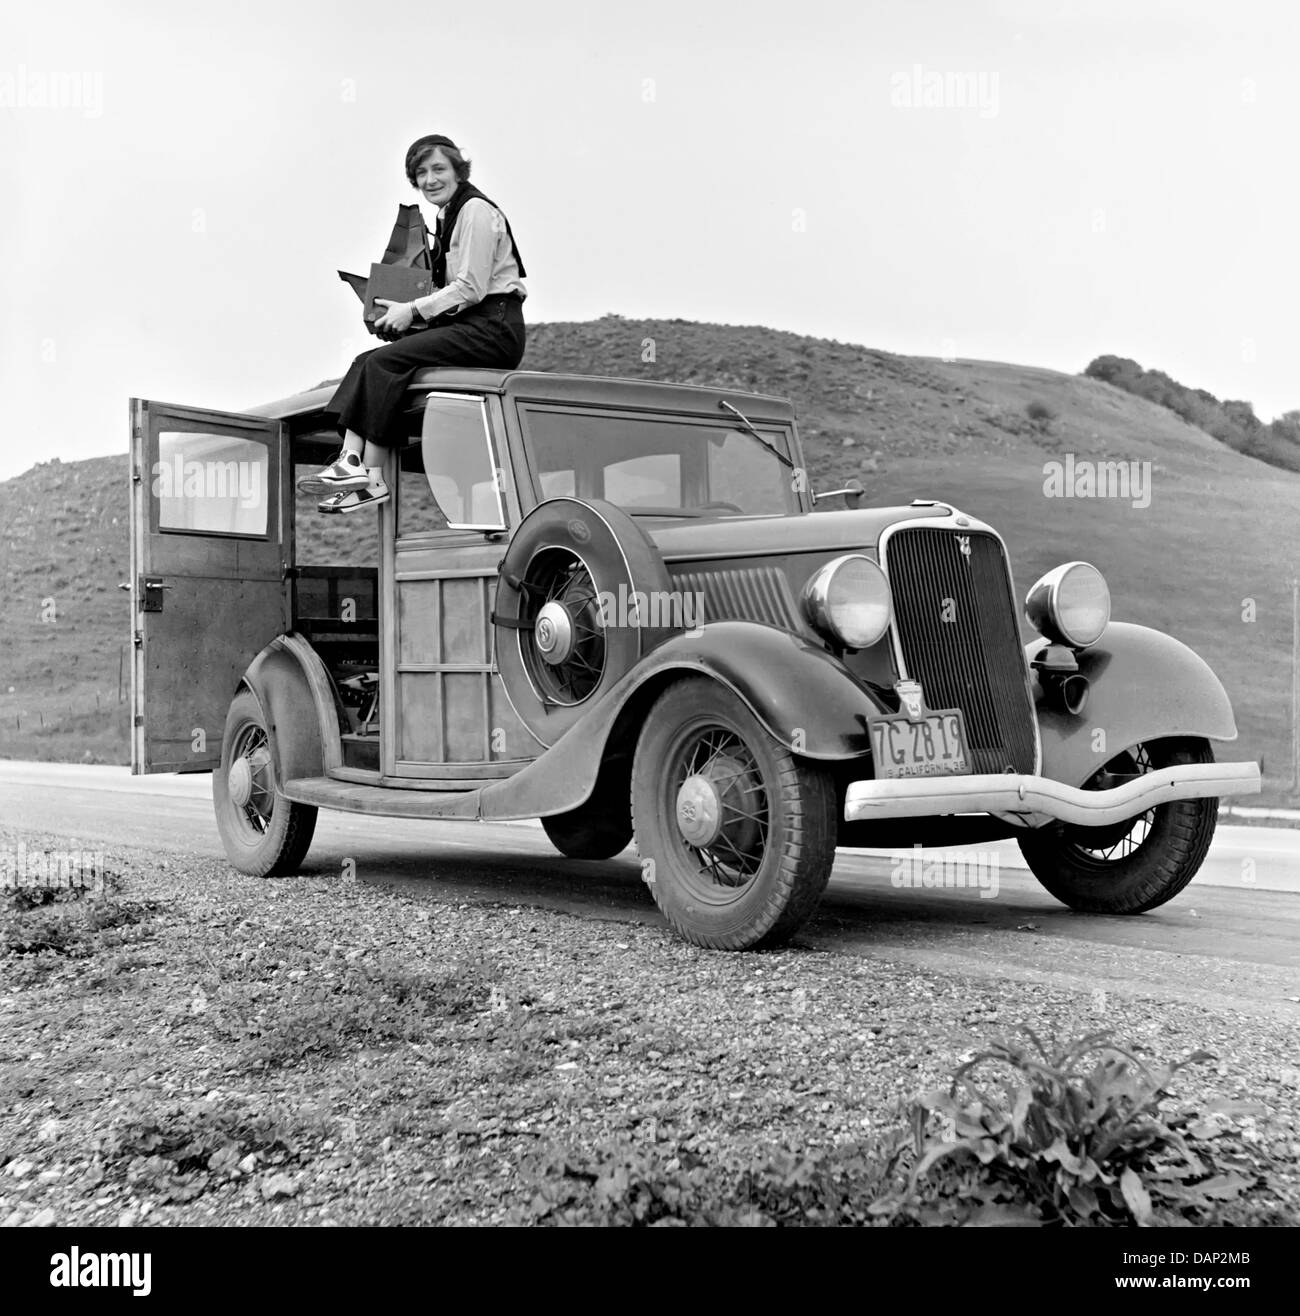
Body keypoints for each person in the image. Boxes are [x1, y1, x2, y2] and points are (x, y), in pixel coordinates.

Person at [302, 134, 527, 513]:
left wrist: (412, 310)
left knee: (383, 363)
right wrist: (402, 313)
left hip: (494, 327)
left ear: (459, 170)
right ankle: (355, 465)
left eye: (439, 169)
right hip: (468, 323)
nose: (429, 179)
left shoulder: (474, 210)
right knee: (366, 361)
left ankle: (367, 474)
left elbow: (470, 287)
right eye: (420, 173)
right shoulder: (446, 216)